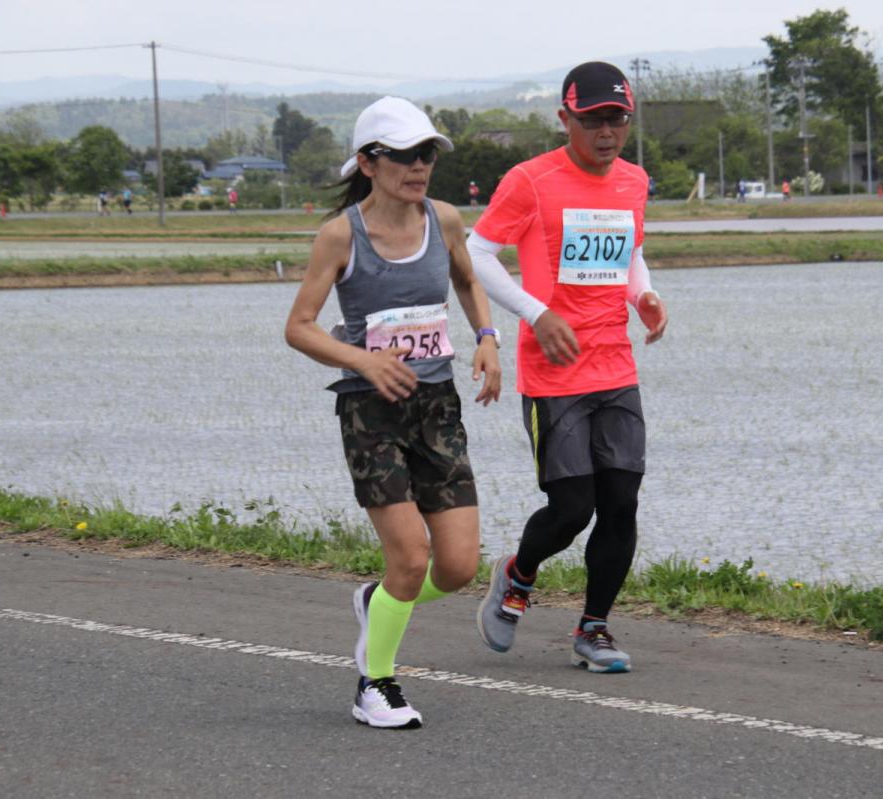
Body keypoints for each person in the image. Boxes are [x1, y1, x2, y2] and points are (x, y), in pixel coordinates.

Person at [284, 96, 502, 729]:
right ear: (369, 162)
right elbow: (299, 328)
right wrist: (361, 360)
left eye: (427, 153)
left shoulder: (446, 220)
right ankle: (375, 684)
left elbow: (466, 280)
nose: (419, 166)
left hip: (437, 405)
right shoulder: (340, 235)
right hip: (371, 409)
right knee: (410, 557)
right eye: (404, 155)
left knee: (458, 567)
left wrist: (487, 338)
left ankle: (379, 602)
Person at [467, 61, 668, 673]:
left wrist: (645, 297)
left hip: (615, 366)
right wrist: (536, 313)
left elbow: (630, 253)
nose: (607, 132)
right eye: (593, 120)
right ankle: (516, 577)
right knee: (571, 509)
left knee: (622, 503)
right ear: (566, 119)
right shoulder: (530, 181)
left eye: (617, 120)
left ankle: (594, 630)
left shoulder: (634, 183)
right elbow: (477, 253)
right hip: (554, 372)